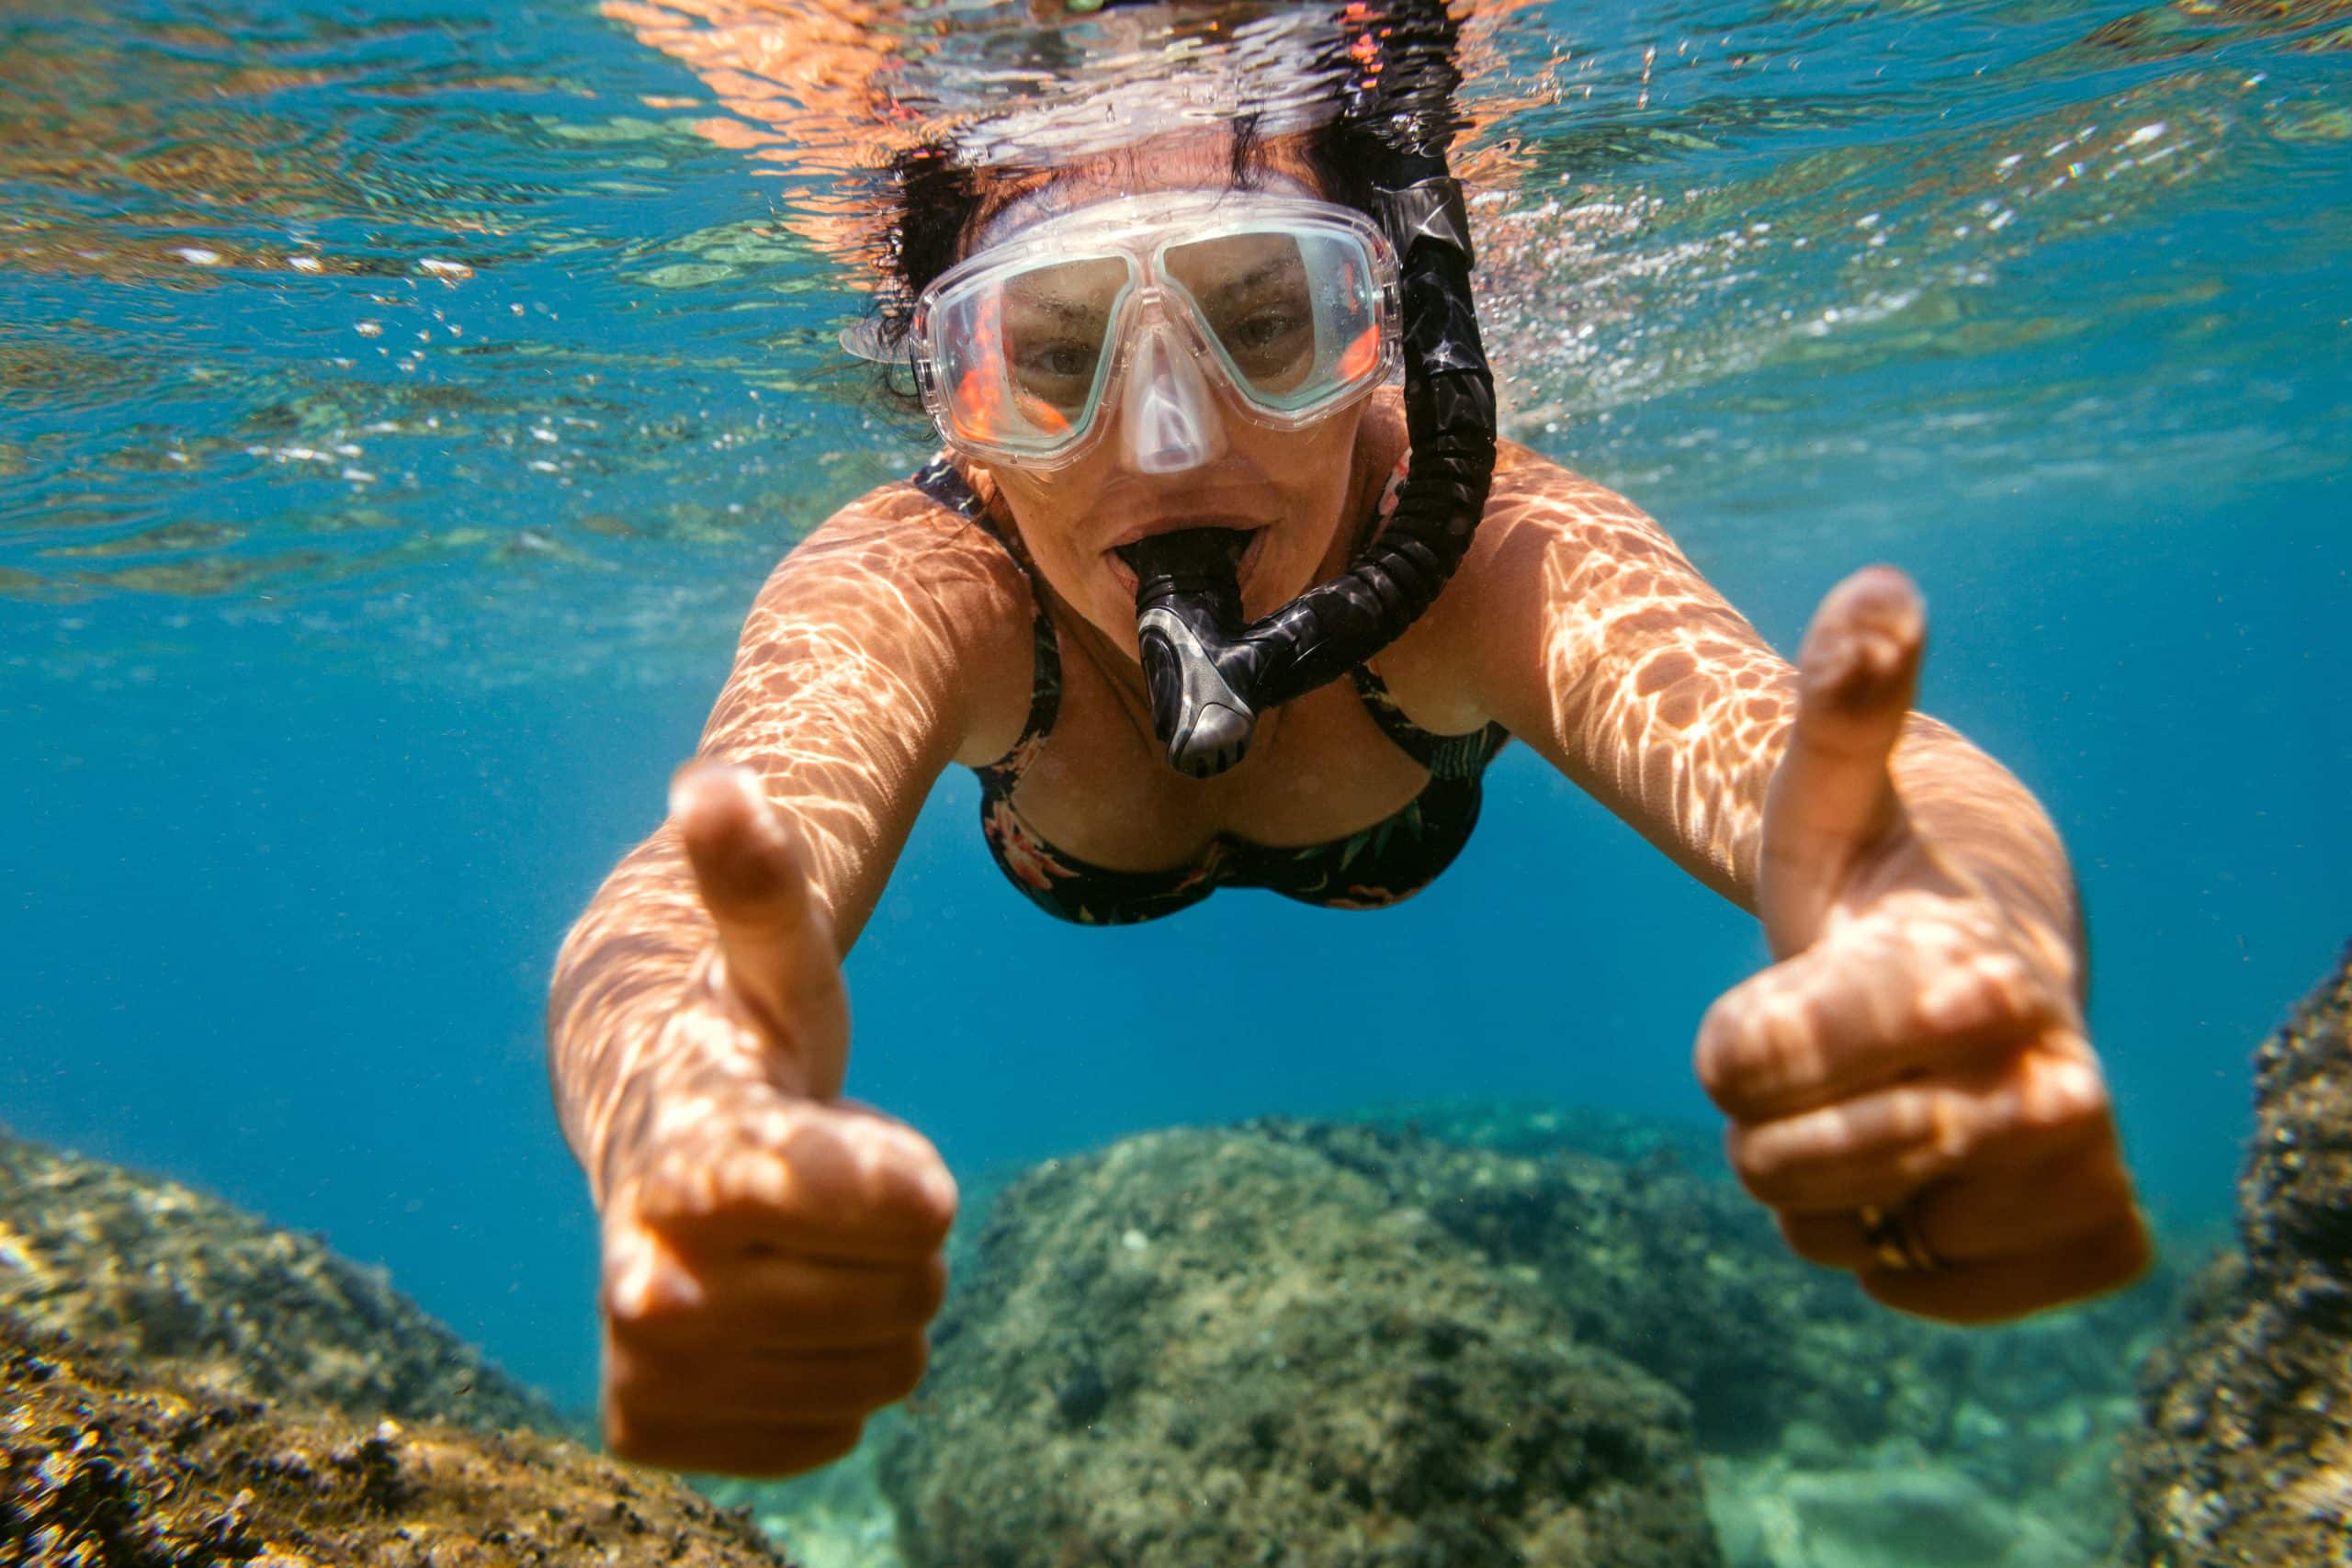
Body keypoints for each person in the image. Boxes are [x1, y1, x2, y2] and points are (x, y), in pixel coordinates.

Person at [549, 0, 2149, 1480]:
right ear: (945, 379)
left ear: (1388, 319)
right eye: (1049, 355)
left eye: (1268, 323)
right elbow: (677, 907)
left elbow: (1841, 765)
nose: (1168, 443)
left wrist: (1950, 930)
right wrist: (679, 1113)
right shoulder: (927, 584)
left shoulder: (1481, 547)